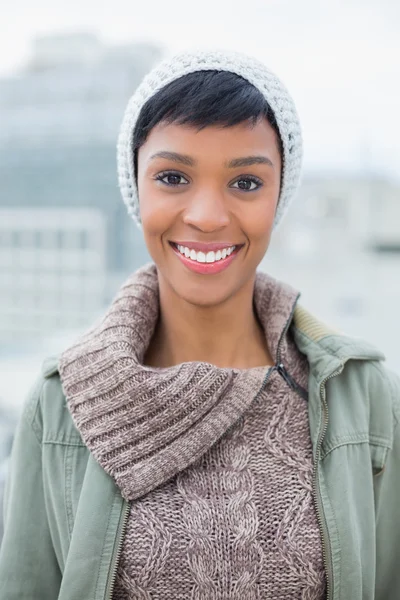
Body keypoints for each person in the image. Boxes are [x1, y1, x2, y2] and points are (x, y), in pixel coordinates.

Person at [0, 49, 399, 600]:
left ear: (280, 192)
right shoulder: (61, 402)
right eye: (172, 176)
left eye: (246, 184)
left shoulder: (359, 394)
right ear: (135, 187)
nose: (207, 216)